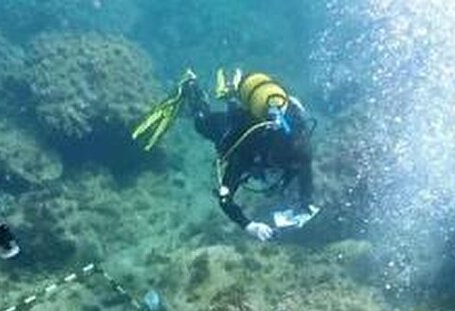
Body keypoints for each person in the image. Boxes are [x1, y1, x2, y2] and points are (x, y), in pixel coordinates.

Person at [134, 69, 319, 241]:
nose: (282, 170)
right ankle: (191, 87)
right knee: (202, 124)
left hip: (259, 115)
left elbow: (305, 176)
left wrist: (306, 205)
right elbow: (225, 199)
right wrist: (249, 225)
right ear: (272, 157)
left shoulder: (300, 152)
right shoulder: (247, 151)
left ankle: (232, 92)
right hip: (229, 129)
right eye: (279, 166)